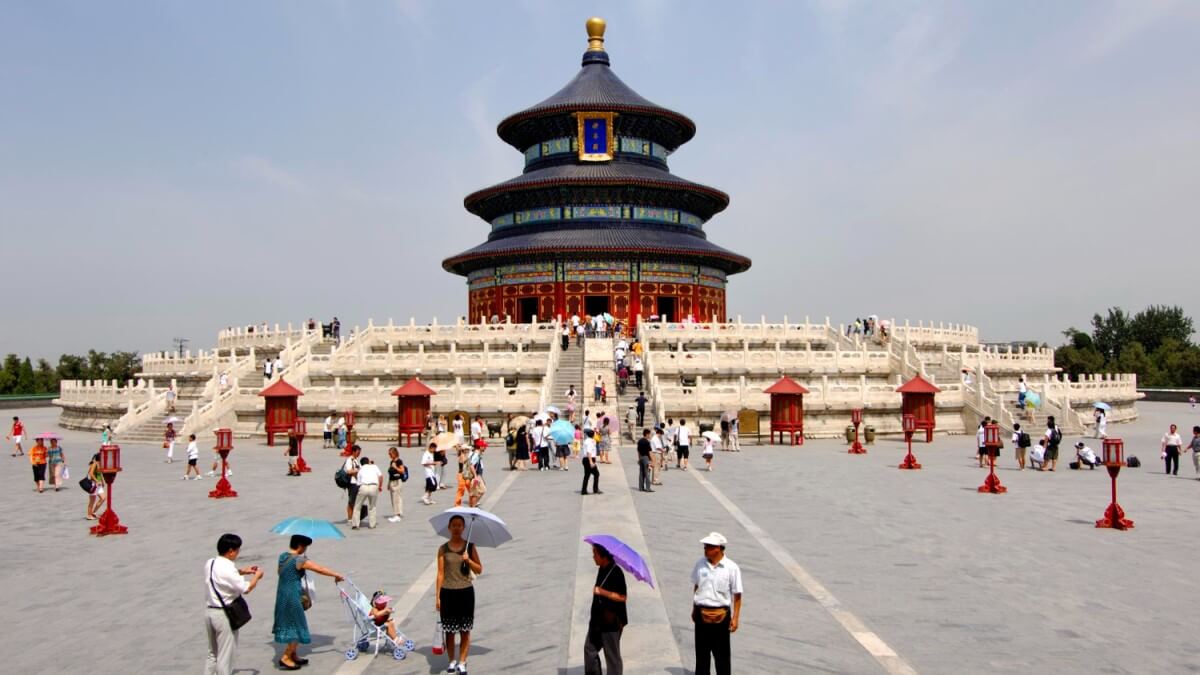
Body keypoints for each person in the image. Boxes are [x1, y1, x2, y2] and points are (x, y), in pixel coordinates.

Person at [273, 534, 345, 670]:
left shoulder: (283, 556)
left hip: (282, 594)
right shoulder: (299, 560)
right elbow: (320, 569)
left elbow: (279, 572)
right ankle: (286, 656)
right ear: (300, 546)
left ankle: (293, 654)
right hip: (293, 595)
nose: (305, 549)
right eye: (305, 547)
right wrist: (336, 575)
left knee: (291, 624)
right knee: (297, 626)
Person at [204, 533, 263, 675]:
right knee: (225, 656)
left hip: (209, 612)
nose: (238, 553)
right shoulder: (228, 568)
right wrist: (256, 576)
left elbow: (221, 576)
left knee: (212, 654)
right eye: (237, 550)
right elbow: (246, 588)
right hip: (223, 615)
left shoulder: (210, 563)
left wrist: (242, 571)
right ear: (230, 551)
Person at [437, 514, 483, 675]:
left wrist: (468, 560)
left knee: (465, 630)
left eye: (459, 525)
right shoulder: (443, 549)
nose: (456, 528)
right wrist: (437, 597)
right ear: (449, 528)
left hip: (465, 592)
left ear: (463, 528)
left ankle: (462, 662)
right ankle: (451, 661)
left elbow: (479, 569)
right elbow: (440, 573)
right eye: (454, 525)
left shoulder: (470, 547)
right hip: (448, 592)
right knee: (449, 631)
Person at [691, 532, 743, 675]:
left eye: (709, 546)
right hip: (701, 614)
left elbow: (737, 594)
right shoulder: (700, 564)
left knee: (722, 656)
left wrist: (735, 618)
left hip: (721, 616)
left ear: (718, 548)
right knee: (701, 655)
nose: (705, 549)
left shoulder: (731, 568)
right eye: (705, 546)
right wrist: (694, 608)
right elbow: (696, 586)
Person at [584, 544, 627, 675]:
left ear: (604, 557)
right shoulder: (602, 568)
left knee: (612, 657)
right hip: (597, 621)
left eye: (595, 554)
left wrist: (602, 592)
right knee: (589, 650)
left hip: (611, 623)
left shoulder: (616, 572)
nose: (593, 557)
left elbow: (622, 597)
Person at [353, 456, 383, 529]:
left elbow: (358, 483)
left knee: (357, 506)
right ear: (368, 461)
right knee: (372, 506)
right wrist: (380, 486)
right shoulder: (374, 466)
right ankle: (372, 524)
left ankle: (355, 525)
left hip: (364, 486)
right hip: (374, 486)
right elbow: (381, 476)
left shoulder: (360, 469)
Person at [387, 447, 408, 522]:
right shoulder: (391, 461)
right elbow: (390, 473)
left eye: (391, 454)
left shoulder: (399, 461)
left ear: (395, 453)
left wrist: (395, 467)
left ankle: (397, 515)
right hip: (392, 481)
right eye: (389, 454)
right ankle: (397, 513)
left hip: (397, 481)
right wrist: (388, 483)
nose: (390, 455)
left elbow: (402, 471)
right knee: (394, 498)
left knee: (396, 498)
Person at [342, 445, 362, 522]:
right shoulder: (349, 460)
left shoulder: (356, 460)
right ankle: (350, 518)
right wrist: (358, 470)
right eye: (358, 452)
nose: (359, 454)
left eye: (359, 452)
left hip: (356, 483)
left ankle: (354, 517)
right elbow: (349, 471)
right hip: (352, 483)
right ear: (353, 451)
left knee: (355, 500)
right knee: (351, 501)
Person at [85, 452, 106, 519]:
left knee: (103, 498)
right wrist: (97, 481)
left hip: (99, 485)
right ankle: (89, 515)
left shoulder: (100, 464)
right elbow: (91, 474)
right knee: (92, 501)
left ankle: (93, 512)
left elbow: (100, 474)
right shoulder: (95, 464)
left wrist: (102, 481)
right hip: (93, 484)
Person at [581, 429, 601, 495]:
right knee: (596, 474)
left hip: (586, 459)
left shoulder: (586, 441)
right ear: (593, 435)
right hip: (589, 459)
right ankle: (595, 489)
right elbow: (588, 452)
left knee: (587, 475)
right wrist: (591, 462)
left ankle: (584, 490)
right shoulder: (590, 442)